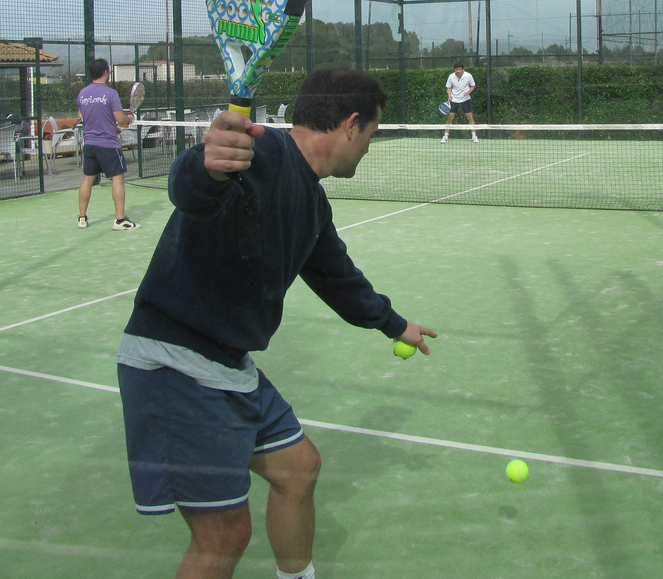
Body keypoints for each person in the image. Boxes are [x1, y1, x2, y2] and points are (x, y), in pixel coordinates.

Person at [116, 66, 438, 579]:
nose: (368, 148)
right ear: (351, 125)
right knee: (223, 535)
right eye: (372, 135)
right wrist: (208, 163)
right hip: (174, 362)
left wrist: (396, 325)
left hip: (227, 364)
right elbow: (194, 189)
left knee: (299, 469)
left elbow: (338, 278)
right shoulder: (262, 153)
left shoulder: (310, 198)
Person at [76, 58, 139, 229]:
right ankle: (120, 220)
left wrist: (112, 127)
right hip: (109, 146)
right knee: (118, 180)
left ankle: (82, 218)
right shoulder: (111, 94)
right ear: (106, 72)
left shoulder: (82, 94)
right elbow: (121, 119)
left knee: (87, 180)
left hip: (89, 145)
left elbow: (84, 117)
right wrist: (129, 119)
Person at [441, 61, 479, 143]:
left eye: (459, 69)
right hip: (454, 99)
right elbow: (448, 87)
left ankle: (474, 136)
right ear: (454, 70)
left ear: (463, 69)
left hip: (466, 99)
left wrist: (468, 92)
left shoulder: (468, 76)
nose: (458, 71)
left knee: (470, 116)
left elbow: (473, 85)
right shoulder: (451, 77)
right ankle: (445, 136)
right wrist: (449, 95)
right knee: (450, 117)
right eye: (456, 69)